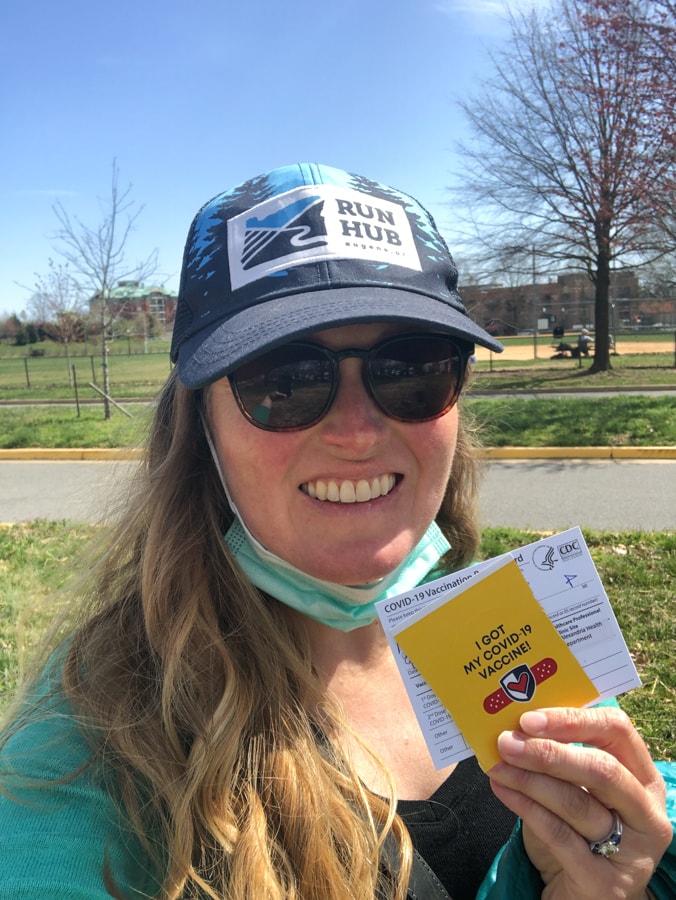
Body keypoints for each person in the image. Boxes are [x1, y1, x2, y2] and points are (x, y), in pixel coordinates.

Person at [1, 163, 673, 899]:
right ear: (201, 429)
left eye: (410, 368)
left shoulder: (510, 625)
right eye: (283, 380)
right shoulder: (87, 747)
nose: (357, 432)